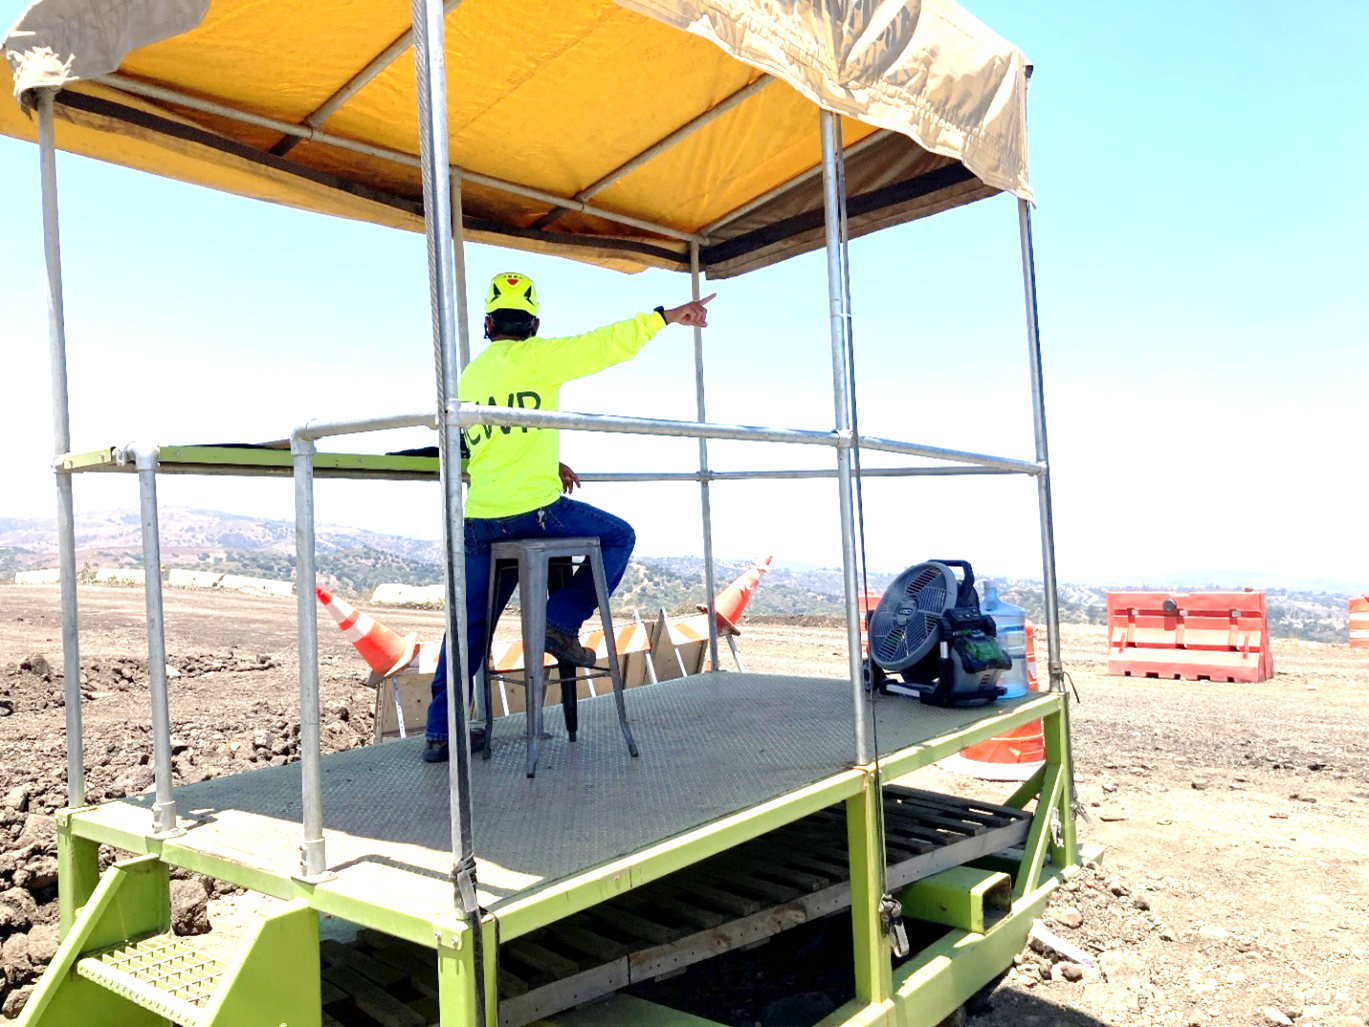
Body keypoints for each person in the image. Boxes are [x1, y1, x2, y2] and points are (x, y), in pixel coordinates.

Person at [423, 271, 715, 762]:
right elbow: (603, 345)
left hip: (481, 523)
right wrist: (665, 317)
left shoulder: (470, 377)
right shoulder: (541, 358)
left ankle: (439, 734)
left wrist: (545, 462)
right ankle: (557, 620)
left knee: (468, 626)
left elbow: (475, 445)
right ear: (533, 324)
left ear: (489, 324)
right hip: (536, 516)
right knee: (620, 536)